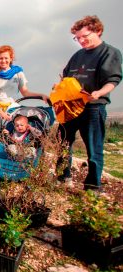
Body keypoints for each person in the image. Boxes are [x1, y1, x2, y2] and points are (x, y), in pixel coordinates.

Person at [58, 15, 122, 191]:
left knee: (94, 147)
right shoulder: (77, 55)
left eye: (84, 36)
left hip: (93, 107)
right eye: (77, 38)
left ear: (98, 31)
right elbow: (66, 77)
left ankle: (93, 186)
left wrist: (99, 92)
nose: (81, 41)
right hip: (70, 106)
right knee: (62, 142)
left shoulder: (110, 53)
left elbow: (113, 79)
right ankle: (63, 177)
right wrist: (60, 86)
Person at [0, 45, 48, 145]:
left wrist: (41, 95)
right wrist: (1, 113)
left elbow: (25, 92)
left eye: (6, 58)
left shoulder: (18, 73)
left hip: (11, 109)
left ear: (11, 58)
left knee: (10, 136)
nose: (3, 61)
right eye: (1, 58)